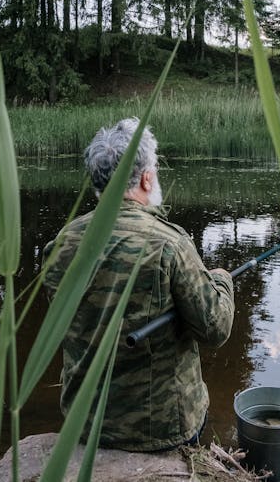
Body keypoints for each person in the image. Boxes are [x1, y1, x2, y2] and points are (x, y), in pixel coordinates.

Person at [42, 117, 234, 452]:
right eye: (155, 167)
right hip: (161, 431)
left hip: (84, 423)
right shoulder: (169, 244)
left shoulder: (62, 243)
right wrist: (222, 280)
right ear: (146, 178)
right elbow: (215, 329)